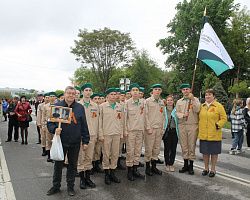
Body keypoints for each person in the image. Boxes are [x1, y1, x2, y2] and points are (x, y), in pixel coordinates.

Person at [47, 86, 90, 196]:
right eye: (68, 93)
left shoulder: (80, 107)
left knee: (72, 165)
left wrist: (85, 141)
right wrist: (54, 129)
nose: (71, 95)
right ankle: (56, 186)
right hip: (61, 141)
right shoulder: (57, 106)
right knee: (58, 165)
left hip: (75, 142)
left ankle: (70, 186)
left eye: (73, 93)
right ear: (65, 94)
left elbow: (84, 125)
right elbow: (50, 123)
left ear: (75, 95)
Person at [198, 89, 227, 177]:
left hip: (214, 133)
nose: (207, 96)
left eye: (209, 94)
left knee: (214, 153)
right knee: (205, 153)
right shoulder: (202, 106)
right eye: (206, 95)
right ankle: (206, 168)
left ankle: (213, 169)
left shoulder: (218, 106)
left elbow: (224, 118)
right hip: (203, 134)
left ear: (214, 96)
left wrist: (218, 125)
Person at [99, 88, 124, 185]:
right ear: (107, 96)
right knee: (106, 154)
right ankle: (106, 174)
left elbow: (121, 121)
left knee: (115, 154)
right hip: (106, 134)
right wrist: (100, 134)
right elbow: (99, 121)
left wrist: (121, 132)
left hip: (116, 133)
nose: (113, 96)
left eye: (115, 94)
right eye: (111, 94)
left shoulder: (119, 106)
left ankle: (113, 173)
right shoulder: (102, 106)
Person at [77, 83, 99, 189]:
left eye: (90, 90)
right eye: (86, 90)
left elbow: (98, 121)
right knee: (81, 157)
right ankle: (82, 179)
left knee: (89, 157)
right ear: (82, 92)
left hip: (92, 135)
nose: (88, 92)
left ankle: (88, 178)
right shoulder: (77, 105)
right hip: (81, 136)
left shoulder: (95, 105)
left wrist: (98, 134)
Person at [176, 83, 200, 175]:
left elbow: (197, 110)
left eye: (187, 89)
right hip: (182, 125)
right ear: (181, 91)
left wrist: (192, 99)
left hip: (192, 125)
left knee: (191, 146)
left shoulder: (195, 99)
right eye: (184, 89)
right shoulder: (179, 101)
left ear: (190, 90)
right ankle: (185, 165)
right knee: (184, 146)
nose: (185, 91)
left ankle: (191, 166)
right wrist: (182, 115)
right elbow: (177, 113)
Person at [124, 83, 145, 181]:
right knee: (130, 151)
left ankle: (135, 169)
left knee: (138, 151)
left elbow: (146, 116)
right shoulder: (127, 103)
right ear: (131, 92)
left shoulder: (143, 102)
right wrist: (125, 130)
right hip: (131, 131)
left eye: (137, 90)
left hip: (140, 130)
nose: (135, 92)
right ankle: (129, 171)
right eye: (134, 90)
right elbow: (124, 118)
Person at [144, 84, 166, 176]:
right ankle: (148, 167)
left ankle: (154, 167)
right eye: (155, 89)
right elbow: (145, 115)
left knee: (156, 149)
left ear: (161, 91)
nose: (157, 91)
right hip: (151, 129)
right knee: (149, 148)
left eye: (159, 89)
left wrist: (163, 128)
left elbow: (164, 116)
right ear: (152, 91)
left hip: (159, 129)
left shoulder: (161, 102)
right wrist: (148, 127)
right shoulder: (147, 101)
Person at [163, 95, 179, 172]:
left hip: (174, 131)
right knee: (167, 148)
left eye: (171, 100)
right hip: (167, 131)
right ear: (166, 101)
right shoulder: (163, 110)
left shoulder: (176, 110)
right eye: (168, 100)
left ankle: (171, 164)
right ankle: (167, 164)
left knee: (173, 149)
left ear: (173, 102)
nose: (169, 102)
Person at [42, 92, 57, 162]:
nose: (52, 97)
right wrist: (43, 125)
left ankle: (55, 156)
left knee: (55, 141)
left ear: (55, 98)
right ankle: (49, 156)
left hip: (56, 126)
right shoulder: (45, 106)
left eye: (53, 96)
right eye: (51, 96)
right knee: (48, 140)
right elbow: (43, 116)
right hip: (48, 125)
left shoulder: (58, 105)